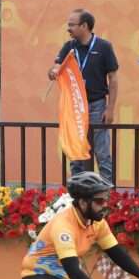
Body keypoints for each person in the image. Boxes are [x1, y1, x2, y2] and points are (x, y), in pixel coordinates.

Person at [48, 10, 119, 183]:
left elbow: (113, 78)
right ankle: (78, 192)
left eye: (72, 24)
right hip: (74, 107)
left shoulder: (103, 47)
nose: (68, 28)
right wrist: (53, 72)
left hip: (97, 105)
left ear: (84, 26)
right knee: (75, 151)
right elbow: (54, 68)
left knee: (101, 152)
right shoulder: (69, 47)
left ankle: (107, 193)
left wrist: (110, 109)